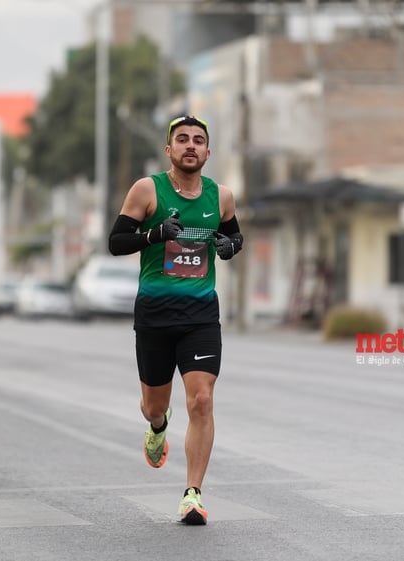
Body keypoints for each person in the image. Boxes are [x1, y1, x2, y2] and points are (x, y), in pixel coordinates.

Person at [108, 115, 243, 525]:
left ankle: (193, 495)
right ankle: (157, 426)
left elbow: (236, 237)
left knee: (202, 400)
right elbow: (115, 242)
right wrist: (154, 234)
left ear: (207, 152)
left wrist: (228, 246)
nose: (190, 146)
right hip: (155, 315)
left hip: (201, 314)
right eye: (181, 139)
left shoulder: (222, 197)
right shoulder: (148, 190)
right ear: (169, 150)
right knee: (154, 405)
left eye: (198, 140)